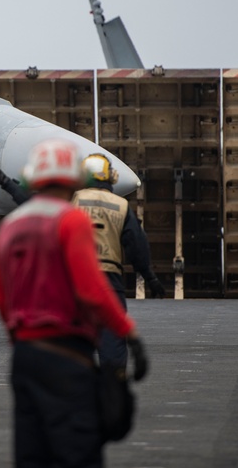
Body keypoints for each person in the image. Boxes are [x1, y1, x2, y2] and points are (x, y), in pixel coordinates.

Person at [0, 138, 148, 468]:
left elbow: (4, 299)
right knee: (78, 451)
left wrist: (20, 342)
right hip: (66, 355)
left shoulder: (10, 227)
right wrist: (129, 334)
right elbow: (92, 289)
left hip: (24, 357)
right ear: (74, 180)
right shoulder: (71, 220)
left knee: (31, 453)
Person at [74, 153, 165, 369]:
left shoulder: (73, 201)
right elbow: (137, 247)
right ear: (110, 176)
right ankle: (113, 390)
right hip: (108, 281)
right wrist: (151, 278)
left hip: (76, 281)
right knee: (112, 343)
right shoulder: (120, 206)